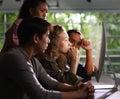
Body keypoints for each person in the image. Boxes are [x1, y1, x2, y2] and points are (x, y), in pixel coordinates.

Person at [0, 17, 94, 99]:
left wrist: (78, 87)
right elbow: (41, 95)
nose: (49, 41)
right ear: (36, 38)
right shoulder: (15, 58)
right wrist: (78, 94)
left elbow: (52, 83)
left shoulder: (31, 59)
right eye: (47, 36)